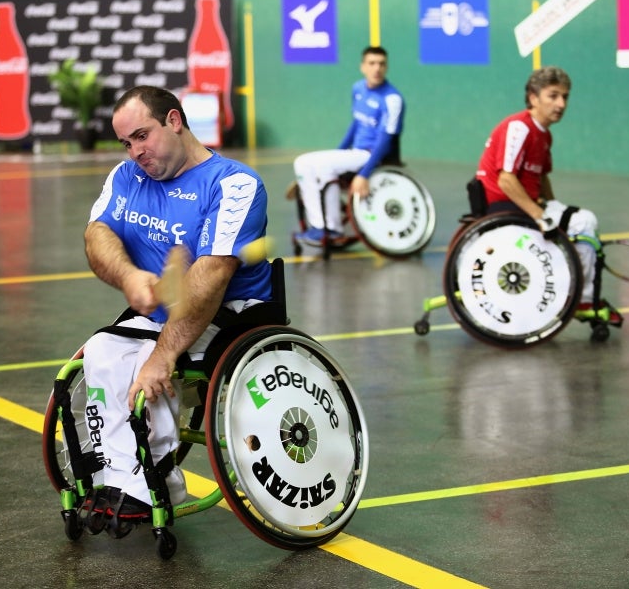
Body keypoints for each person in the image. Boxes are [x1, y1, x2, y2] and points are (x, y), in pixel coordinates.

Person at [82, 85, 272, 522]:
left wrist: (164, 354)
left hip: (226, 314)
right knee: (101, 352)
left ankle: (158, 479)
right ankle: (119, 476)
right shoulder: (126, 177)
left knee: (147, 365)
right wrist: (130, 275)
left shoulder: (234, 183)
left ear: (173, 120)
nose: (135, 153)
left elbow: (211, 277)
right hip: (159, 312)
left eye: (142, 136)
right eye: (126, 143)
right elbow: (97, 233)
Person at [475, 65, 614, 320]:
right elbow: (506, 180)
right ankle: (581, 301)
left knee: (579, 222)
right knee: (585, 222)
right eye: (553, 95)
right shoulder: (520, 128)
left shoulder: (544, 134)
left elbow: (540, 176)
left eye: (565, 96)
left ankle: (577, 293)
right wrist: (542, 216)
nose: (561, 103)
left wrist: (554, 206)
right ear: (533, 98)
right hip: (505, 207)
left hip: (525, 203)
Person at [292, 45, 405, 246]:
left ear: (386, 67)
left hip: (372, 155)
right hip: (354, 153)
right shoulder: (358, 89)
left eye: (381, 64)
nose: (376, 68)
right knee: (303, 164)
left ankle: (331, 229)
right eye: (371, 63)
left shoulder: (392, 99)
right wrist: (338, 153)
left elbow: (387, 139)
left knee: (322, 166)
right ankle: (320, 226)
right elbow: (355, 124)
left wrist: (364, 174)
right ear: (363, 67)